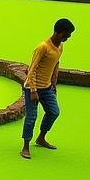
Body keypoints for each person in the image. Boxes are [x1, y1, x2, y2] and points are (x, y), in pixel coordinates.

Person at [21, 18, 74, 160]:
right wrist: (33, 90)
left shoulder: (60, 46)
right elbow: (31, 69)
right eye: (66, 34)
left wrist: (54, 83)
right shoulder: (43, 47)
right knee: (31, 117)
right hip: (32, 88)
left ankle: (41, 138)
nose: (68, 38)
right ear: (58, 32)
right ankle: (25, 146)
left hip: (47, 87)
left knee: (54, 112)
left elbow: (56, 64)